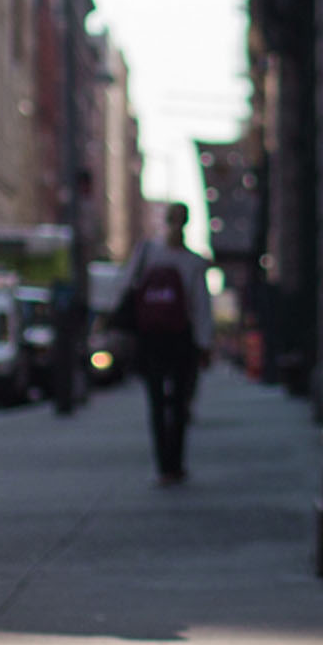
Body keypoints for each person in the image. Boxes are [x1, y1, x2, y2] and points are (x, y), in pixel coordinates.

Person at [114, 204, 213, 485]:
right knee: (180, 403)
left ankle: (164, 467)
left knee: (157, 402)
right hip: (181, 338)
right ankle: (175, 465)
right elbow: (200, 306)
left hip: (151, 338)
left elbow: (125, 286)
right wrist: (203, 343)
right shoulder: (193, 261)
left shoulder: (147, 253)